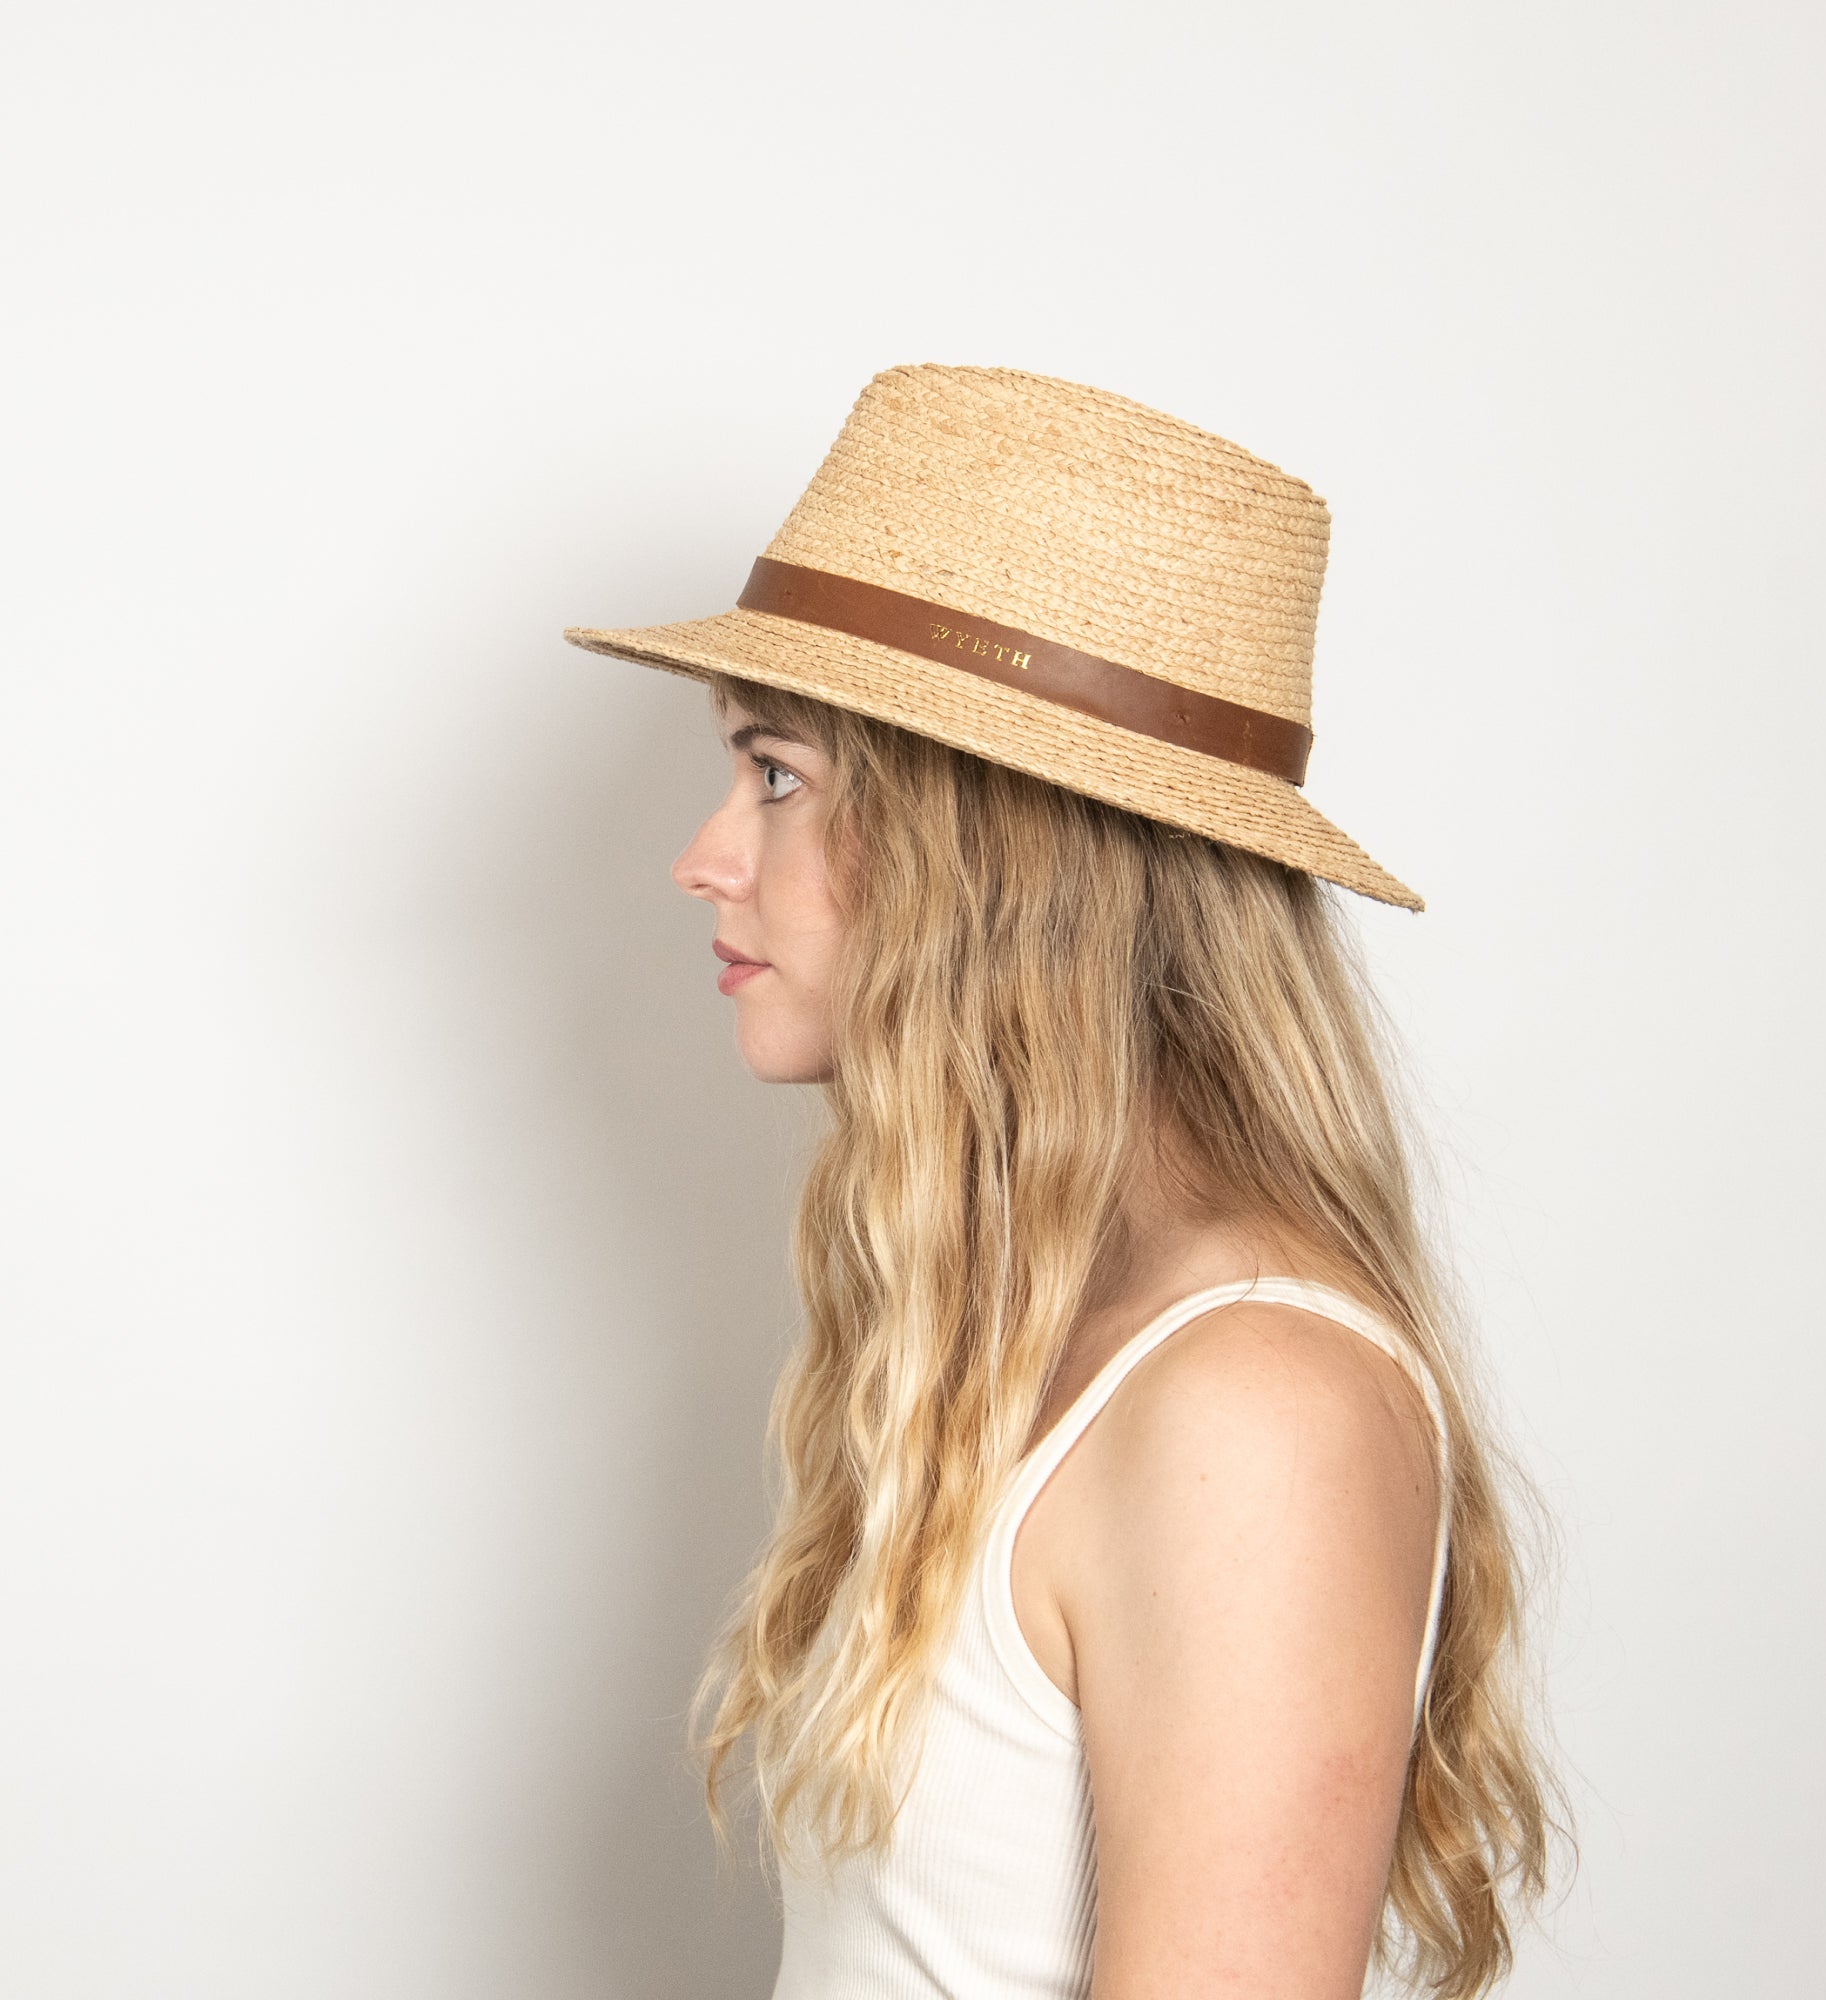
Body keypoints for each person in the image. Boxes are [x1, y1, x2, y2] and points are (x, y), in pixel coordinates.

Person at [566, 365, 1559, 2000]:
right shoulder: (1013, 1330)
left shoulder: (1256, 1405)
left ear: (992, 845)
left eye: (778, 773)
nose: (707, 855)